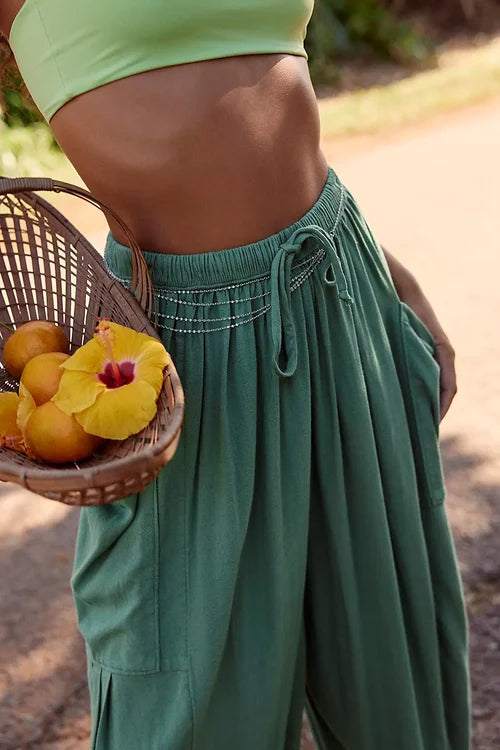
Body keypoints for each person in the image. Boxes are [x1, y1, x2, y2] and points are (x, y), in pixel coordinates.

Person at [0, 2, 470, 748]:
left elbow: (262, 98)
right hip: (180, 350)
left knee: (398, 687)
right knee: (184, 709)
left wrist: (390, 273)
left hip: (338, 282)